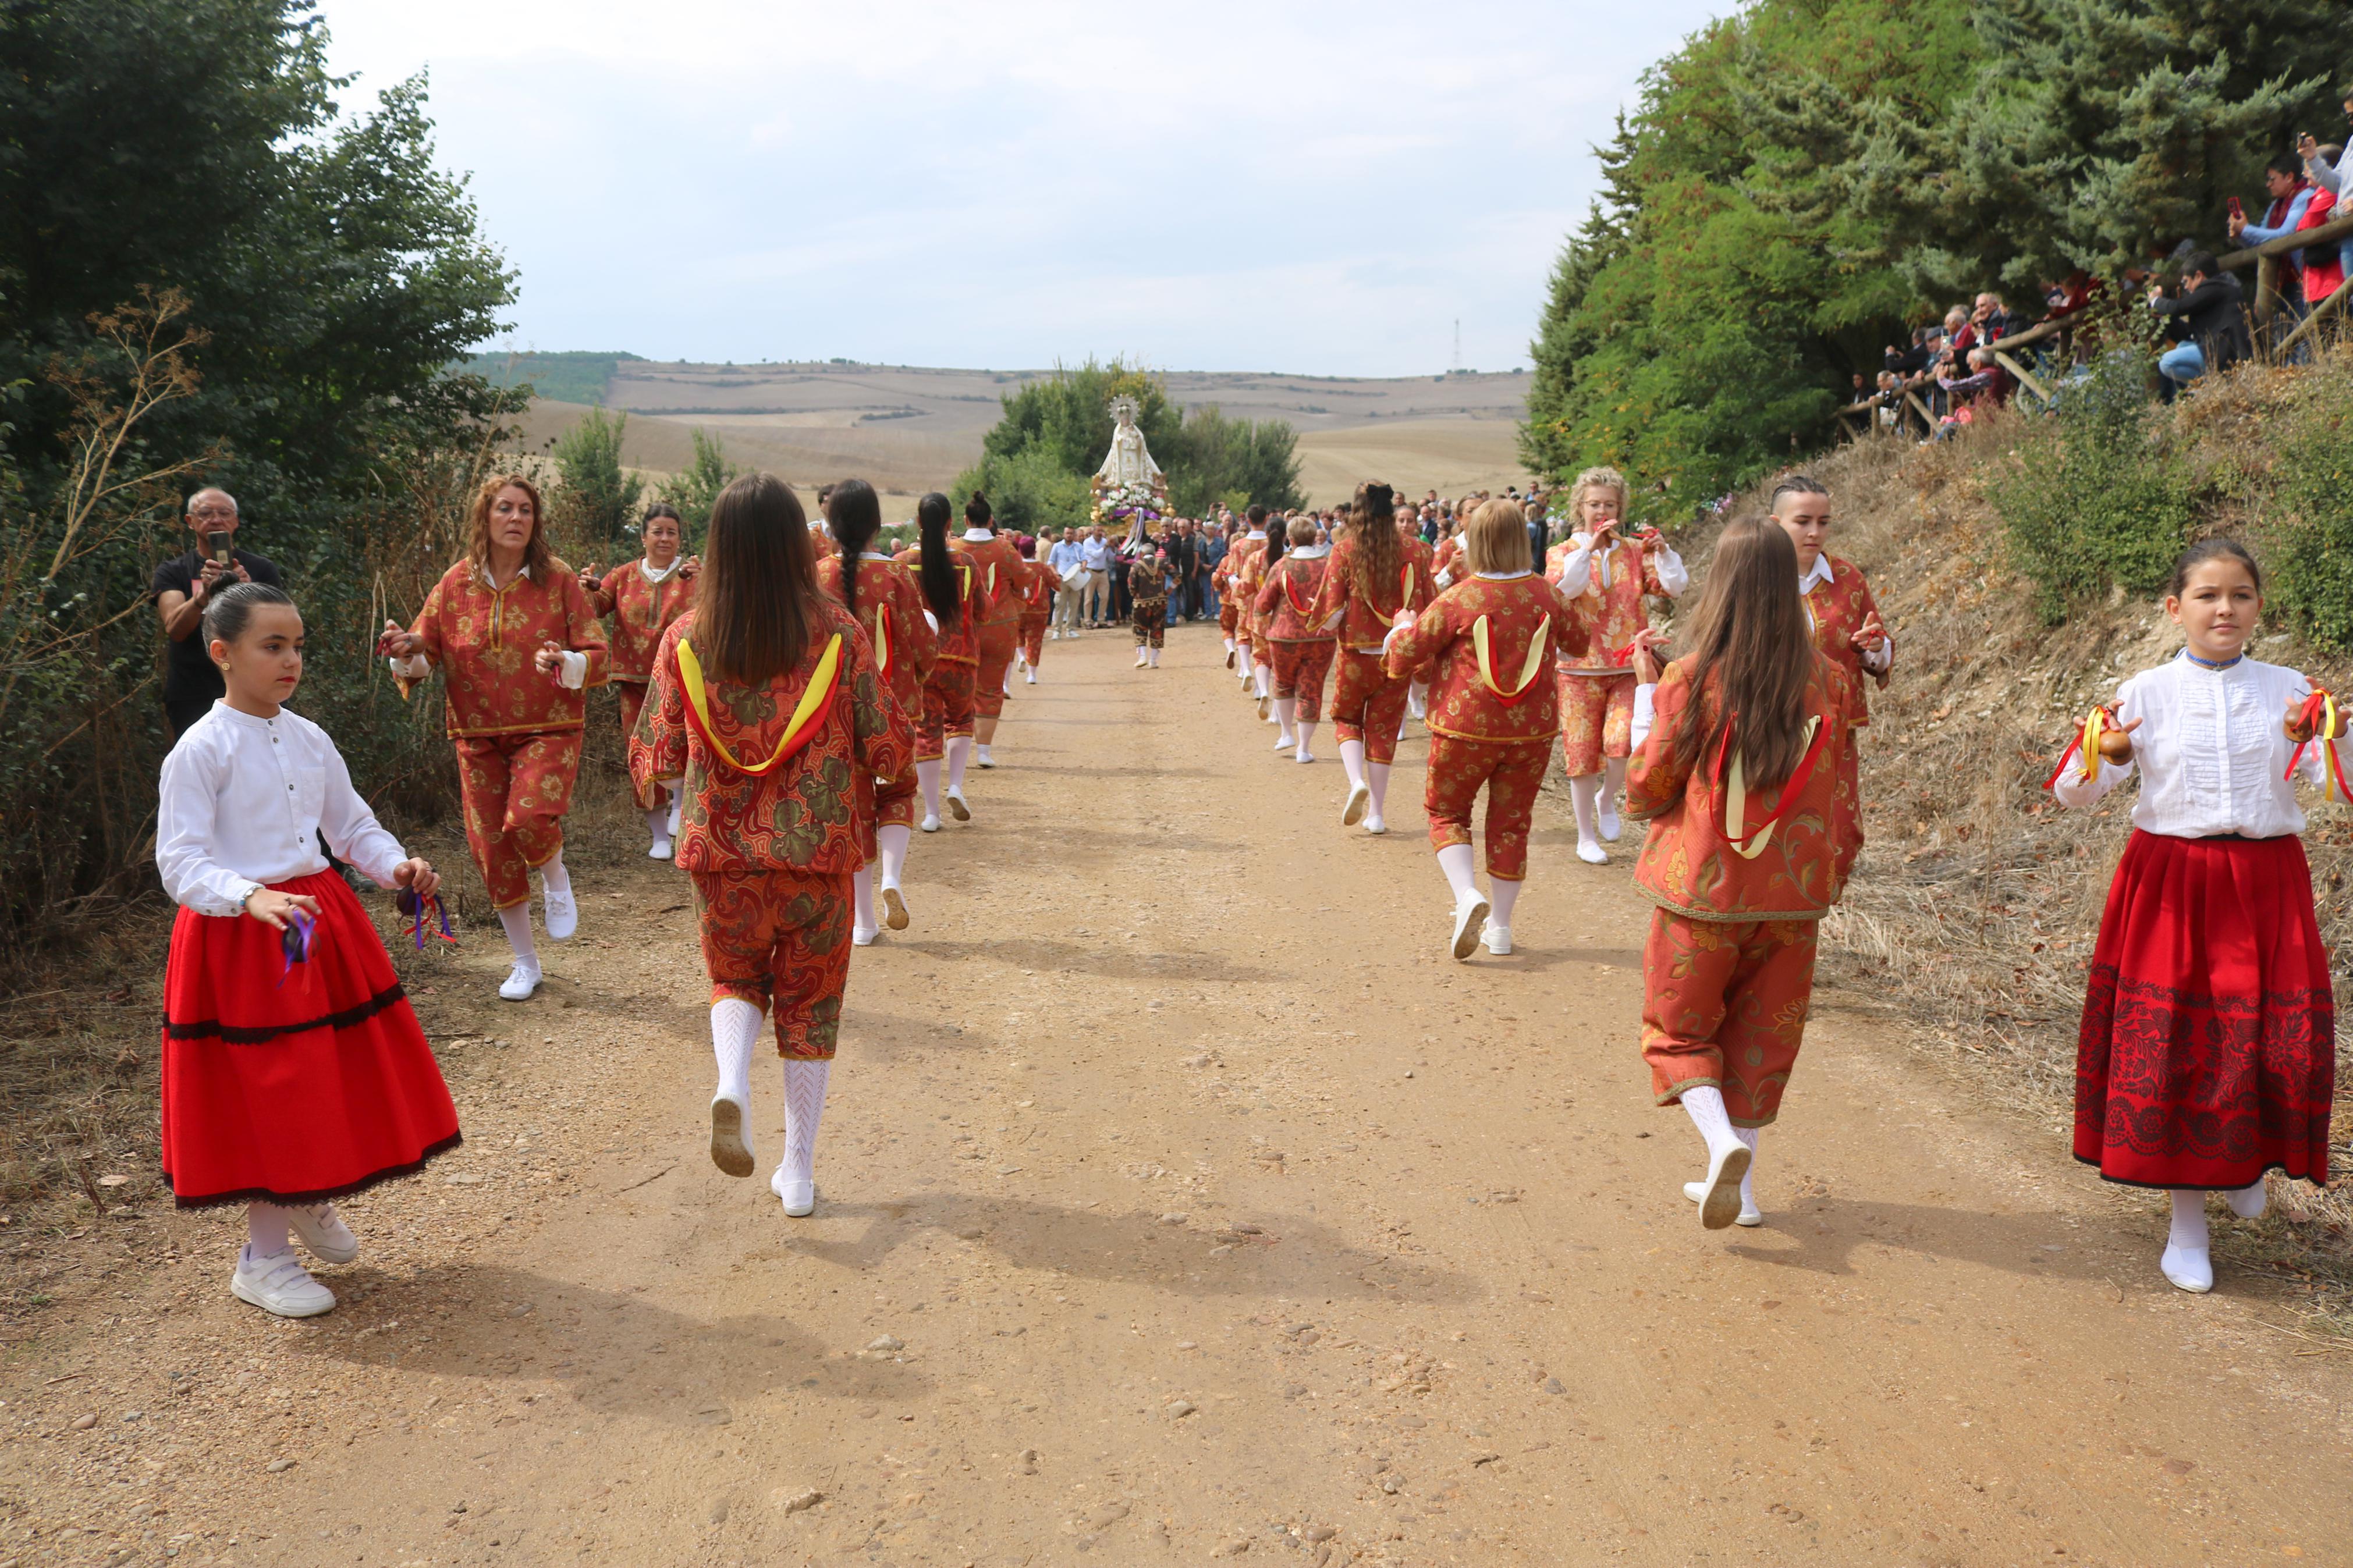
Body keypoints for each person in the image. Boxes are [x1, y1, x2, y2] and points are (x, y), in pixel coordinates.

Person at [157, 581, 459, 1317]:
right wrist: (248, 895)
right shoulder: (199, 750)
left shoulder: (309, 736)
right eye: (273, 646)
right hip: (242, 939)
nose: (291, 660)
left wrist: (397, 866)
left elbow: (351, 827)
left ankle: (306, 1190)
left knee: (324, 1072)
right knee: (270, 1088)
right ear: (221, 653)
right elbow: (180, 861)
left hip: (316, 921)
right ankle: (261, 1259)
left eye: (297, 646)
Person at [2049, 538, 2337, 1293]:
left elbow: (2341, 784)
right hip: (2169, 881)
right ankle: (2185, 1227)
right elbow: (2071, 790)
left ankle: (2244, 1164)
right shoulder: (2143, 690)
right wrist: (2104, 753)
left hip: (2266, 879)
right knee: (2178, 1045)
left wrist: (2322, 736)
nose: (2223, 608)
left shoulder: (2292, 691)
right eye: (2206, 595)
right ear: (2172, 608)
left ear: (2257, 607)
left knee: (2269, 1042)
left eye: (2238, 595)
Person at [631, 474, 911, 1219]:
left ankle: (731, 1077)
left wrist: (666, 783)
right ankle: (798, 1171)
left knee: (735, 978)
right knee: (810, 1007)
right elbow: (888, 745)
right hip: (817, 854)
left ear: (716, 547)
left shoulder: (685, 638)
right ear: (797, 542)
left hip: (720, 856)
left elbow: (650, 755)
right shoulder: (839, 635)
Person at [1623, 516, 1857, 1231]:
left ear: (1720, 587)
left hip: (1702, 888)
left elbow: (1642, 788)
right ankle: (1744, 1189)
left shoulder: (1690, 677)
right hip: (1793, 895)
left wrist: (1644, 695)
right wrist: (1831, 874)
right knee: (1761, 1036)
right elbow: (1843, 792)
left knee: (1678, 1031)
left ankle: (1719, 1141)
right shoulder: (1832, 682)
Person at [378, 475, 607, 1002]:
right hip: (475, 733)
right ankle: (525, 963)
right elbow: (421, 656)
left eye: (525, 510)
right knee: (493, 848)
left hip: (548, 727)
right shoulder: (455, 583)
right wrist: (404, 648)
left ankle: (555, 873)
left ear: (536, 521)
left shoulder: (559, 580)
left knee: (526, 818)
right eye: (505, 508)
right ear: (486, 517)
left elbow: (598, 655)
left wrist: (566, 660)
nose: (515, 518)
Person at [1381, 499, 1586, 959]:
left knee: (1446, 811)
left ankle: (1465, 895)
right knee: (1511, 824)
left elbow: (1405, 655)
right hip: (1531, 732)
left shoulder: (1458, 598)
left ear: (1473, 542)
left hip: (1464, 727)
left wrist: (1400, 630)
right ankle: (1502, 927)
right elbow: (1580, 641)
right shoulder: (1546, 594)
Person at [1545, 466, 1690, 866]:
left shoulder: (1632, 550)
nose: (1601, 511)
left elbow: (1674, 588)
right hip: (1577, 667)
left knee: (1623, 743)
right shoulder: (1560, 553)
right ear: (1580, 506)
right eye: (1594, 504)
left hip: (1628, 664)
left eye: (1609, 504)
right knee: (1580, 753)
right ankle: (1585, 835)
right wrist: (1588, 550)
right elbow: (1561, 591)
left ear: (1620, 507)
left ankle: (1607, 797)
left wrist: (1662, 552)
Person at [815, 479, 937, 945]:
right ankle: (891, 876)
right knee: (897, 793)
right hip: (893, 708)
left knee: (852, 810)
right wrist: (919, 677)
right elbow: (923, 647)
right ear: (875, 524)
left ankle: (862, 922)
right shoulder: (897, 577)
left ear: (831, 522)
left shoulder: (816, 575)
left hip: (832, 714)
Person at [1765, 476, 1890, 860]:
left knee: (1839, 828)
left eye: (1823, 521)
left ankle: (1819, 904)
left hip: (1835, 726)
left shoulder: (1849, 579)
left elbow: (1878, 652)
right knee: (1774, 821)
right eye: (1802, 521)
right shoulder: (1756, 579)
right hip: (1769, 722)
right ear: (1775, 524)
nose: (1814, 532)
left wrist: (1873, 647)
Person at [1308, 482, 1429, 834]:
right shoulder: (1416, 550)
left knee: (1346, 717)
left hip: (1356, 654)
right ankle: (1376, 813)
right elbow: (1424, 600)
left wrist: (1328, 625)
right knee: (1384, 730)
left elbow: (1331, 610)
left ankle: (1354, 780)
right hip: (1397, 653)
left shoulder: (1345, 550)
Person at [582, 502, 700, 859]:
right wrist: (586, 587)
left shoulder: (695, 575)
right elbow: (597, 604)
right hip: (635, 681)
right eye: (658, 532)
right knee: (641, 753)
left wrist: (709, 578)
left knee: (685, 744)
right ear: (644, 537)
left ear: (680, 538)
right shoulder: (624, 576)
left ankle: (682, 808)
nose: (665, 538)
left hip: (684, 678)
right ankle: (659, 836)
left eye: (672, 532)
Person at [152, 488, 283, 739]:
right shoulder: (173, 571)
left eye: (224, 513)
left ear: (235, 521)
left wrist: (250, 593)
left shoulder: (261, 569)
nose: (215, 519)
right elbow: (175, 629)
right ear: (190, 522)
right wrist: (202, 596)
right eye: (205, 513)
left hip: (256, 687)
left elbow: (280, 630)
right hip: (193, 692)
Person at [895, 493, 982, 830]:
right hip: (962, 657)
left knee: (926, 732)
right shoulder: (966, 563)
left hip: (922, 660)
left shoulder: (901, 562)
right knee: (961, 720)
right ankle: (956, 785)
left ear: (918, 523)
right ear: (950, 523)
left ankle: (932, 813)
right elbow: (982, 610)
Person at [959, 493, 1028, 769]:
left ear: (965, 520)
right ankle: (984, 751)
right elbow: (1024, 580)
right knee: (991, 687)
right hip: (999, 627)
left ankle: (956, 750)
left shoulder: (953, 549)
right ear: (990, 521)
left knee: (959, 688)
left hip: (962, 629)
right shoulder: (1007, 550)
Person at [1255, 517, 1332, 759]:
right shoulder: (1328, 565)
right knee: (1311, 691)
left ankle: (1286, 733)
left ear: (1291, 539)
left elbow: (1263, 604)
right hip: (1321, 636)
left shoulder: (1281, 566)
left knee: (1284, 683)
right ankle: (1304, 748)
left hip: (1284, 635)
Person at [2147, 253, 2251, 396]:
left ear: (2199, 276)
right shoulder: (2214, 294)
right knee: (2183, 345)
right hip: (2218, 351)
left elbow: (2179, 307)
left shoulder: (2216, 287)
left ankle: (2214, 390)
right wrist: (2165, 317)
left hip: (2228, 353)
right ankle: (2214, 388)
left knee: (2167, 362)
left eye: (2185, 282)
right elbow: (2187, 335)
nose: (2186, 288)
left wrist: (2155, 301)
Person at [1220, 506, 1270, 685]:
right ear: (1266, 519)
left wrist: (1233, 584)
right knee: (1264, 642)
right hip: (1269, 597)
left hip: (1245, 597)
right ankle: (1260, 684)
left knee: (1243, 634)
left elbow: (1230, 573)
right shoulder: (1272, 543)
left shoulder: (1238, 546)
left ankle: (1246, 669)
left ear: (1248, 521)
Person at [1013, 534, 1060, 683]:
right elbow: (1057, 586)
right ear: (1035, 551)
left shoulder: (1016, 567)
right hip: (1039, 610)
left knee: (1018, 635)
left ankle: (1021, 656)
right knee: (1035, 641)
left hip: (1018, 608)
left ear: (1019, 551)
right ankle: (1032, 674)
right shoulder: (1043, 568)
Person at [1129, 541, 1172, 669]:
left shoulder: (1136, 566)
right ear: (1154, 553)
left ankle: (1142, 657)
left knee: (1140, 628)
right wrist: (1170, 589)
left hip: (1141, 602)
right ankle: (1153, 660)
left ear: (1142, 553)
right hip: (1160, 601)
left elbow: (1131, 584)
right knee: (1157, 628)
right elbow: (1177, 575)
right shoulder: (1163, 563)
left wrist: (1135, 594)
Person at [1048, 528, 1088, 638]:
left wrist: (1084, 566)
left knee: (1074, 604)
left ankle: (1070, 629)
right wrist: (1055, 572)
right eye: (1067, 533)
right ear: (1064, 534)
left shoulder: (1078, 546)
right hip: (1062, 578)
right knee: (1060, 604)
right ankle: (1057, 630)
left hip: (1076, 578)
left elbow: (1084, 558)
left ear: (1074, 535)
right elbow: (1051, 562)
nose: (1069, 535)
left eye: (1071, 533)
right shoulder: (1057, 546)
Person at [1080, 526, 1113, 627]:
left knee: (1104, 597)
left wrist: (1112, 548)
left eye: (1101, 531)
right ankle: (1088, 621)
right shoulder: (1088, 542)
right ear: (1093, 532)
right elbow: (1095, 555)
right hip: (1091, 571)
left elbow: (1111, 558)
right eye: (1098, 531)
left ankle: (1101, 620)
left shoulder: (1105, 542)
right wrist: (1105, 547)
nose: (1100, 533)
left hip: (1103, 572)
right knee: (1089, 598)